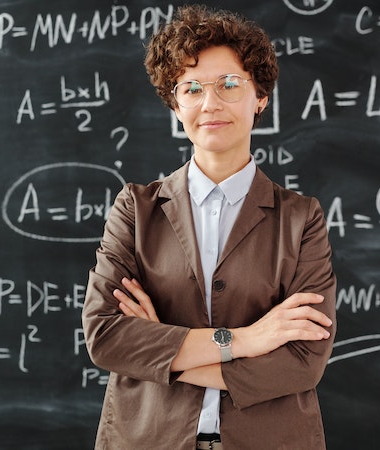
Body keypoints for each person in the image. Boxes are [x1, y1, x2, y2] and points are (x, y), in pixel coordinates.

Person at [82, 4, 337, 449]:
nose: (210, 103)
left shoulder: (302, 218)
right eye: (192, 87)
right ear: (175, 103)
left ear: (260, 96)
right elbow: (107, 337)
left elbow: (303, 359)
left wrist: (165, 353)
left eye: (229, 85)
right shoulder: (136, 209)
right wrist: (248, 339)